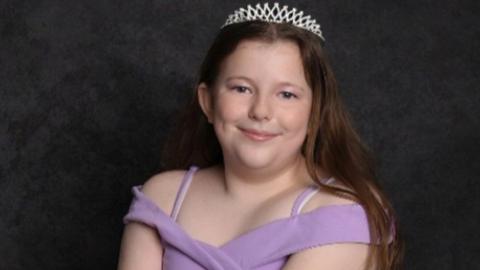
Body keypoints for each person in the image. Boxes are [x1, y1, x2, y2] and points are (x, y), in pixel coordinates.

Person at [117, 2, 403, 270]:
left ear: (315, 111)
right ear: (208, 102)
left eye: (287, 94)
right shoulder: (163, 198)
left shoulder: (342, 211)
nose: (261, 111)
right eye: (241, 88)